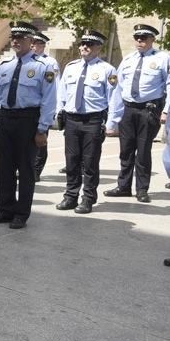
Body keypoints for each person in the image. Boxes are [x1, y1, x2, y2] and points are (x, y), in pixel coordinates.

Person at [0, 22, 58, 229]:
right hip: (5, 119)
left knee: (25, 169)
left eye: (21, 38)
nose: (15, 41)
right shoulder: (4, 66)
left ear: (32, 41)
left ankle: (21, 213)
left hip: (28, 121)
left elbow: (49, 100)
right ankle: (5, 209)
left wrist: (42, 129)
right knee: (4, 167)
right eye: (13, 37)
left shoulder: (43, 67)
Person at [55, 30, 121, 215]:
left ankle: (88, 198)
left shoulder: (107, 70)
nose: (85, 47)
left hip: (92, 120)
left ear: (99, 47)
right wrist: (59, 112)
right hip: (72, 120)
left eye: (90, 44)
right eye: (83, 43)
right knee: (72, 160)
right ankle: (70, 196)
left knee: (90, 162)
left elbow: (114, 98)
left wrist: (111, 124)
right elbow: (62, 92)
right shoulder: (71, 66)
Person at [105, 23, 169, 203]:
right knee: (125, 150)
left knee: (142, 151)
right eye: (137, 38)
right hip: (128, 109)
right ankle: (123, 186)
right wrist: (113, 120)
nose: (140, 41)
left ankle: (142, 189)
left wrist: (166, 110)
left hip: (148, 110)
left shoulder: (163, 58)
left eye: (144, 38)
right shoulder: (128, 59)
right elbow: (118, 89)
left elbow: (169, 85)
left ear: (152, 39)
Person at [31, 32, 60, 181]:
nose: (33, 45)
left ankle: (36, 170)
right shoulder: (27, 61)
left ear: (42, 45)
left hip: (43, 108)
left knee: (41, 141)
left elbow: (54, 87)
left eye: (36, 43)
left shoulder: (50, 63)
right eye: (32, 42)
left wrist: (56, 109)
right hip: (29, 109)